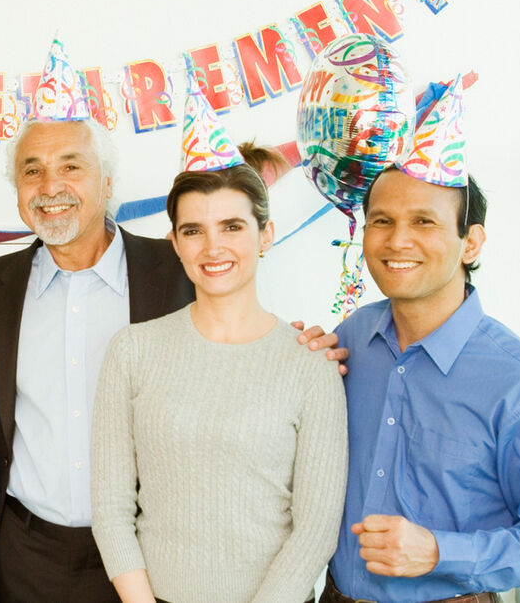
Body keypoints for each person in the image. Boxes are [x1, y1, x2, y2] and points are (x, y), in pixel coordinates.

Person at [0, 117, 345, 602]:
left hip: (148, 557)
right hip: (29, 551)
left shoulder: (179, 271)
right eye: (32, 171)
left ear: (109, 182)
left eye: (71, 165)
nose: (50, 185)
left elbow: (240, 342)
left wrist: (304, 351)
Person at [90, 143, 347, 602]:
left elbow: (316, 529)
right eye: (193, 230)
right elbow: (110, 507)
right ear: (175, 243)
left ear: (265, 235)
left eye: (232, 226)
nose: (213, 247)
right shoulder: (132, 351)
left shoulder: (311, 364)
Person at [323, 168, 520, 602]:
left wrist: (440, 552)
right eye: (382, 221)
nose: (397, 241)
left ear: (470, 242)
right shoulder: (351, 338)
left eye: (423, 221)